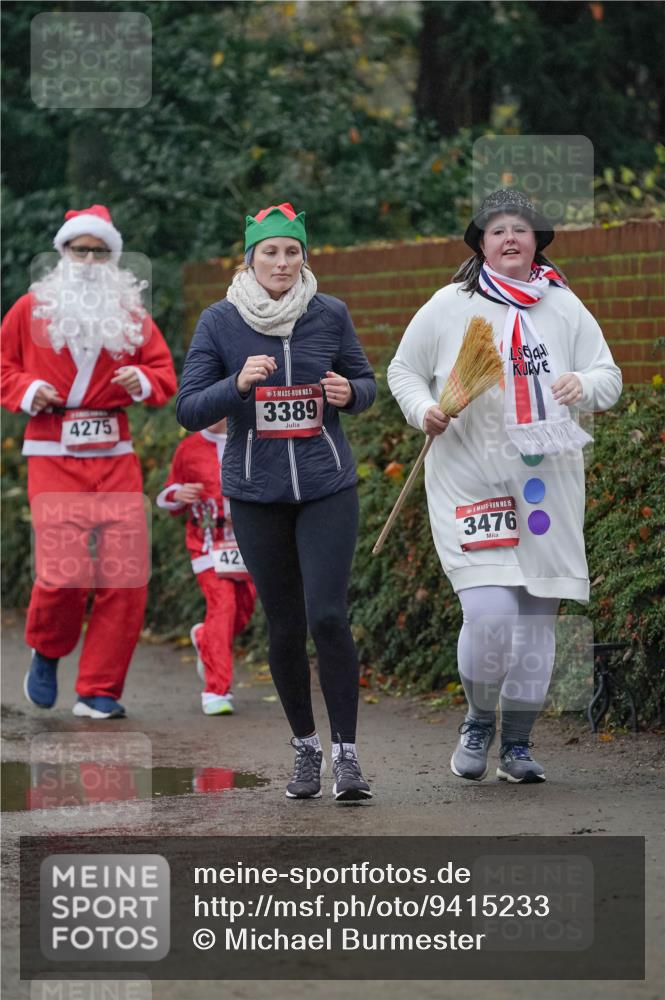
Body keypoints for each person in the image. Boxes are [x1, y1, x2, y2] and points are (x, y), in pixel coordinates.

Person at [387, 189, 622, 783]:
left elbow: (608, 377)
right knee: (490, 613)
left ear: (537, 240)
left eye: (521, 228)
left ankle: (517, 745)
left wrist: (581, 385)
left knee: (538, 623)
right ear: (482, 244)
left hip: (548, 481)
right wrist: (424, 410)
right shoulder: (448, 306)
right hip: (470, 478)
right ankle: (477, 719)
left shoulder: (564, 307)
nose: (510, 237)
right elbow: (403, 371)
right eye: (497, 231)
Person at [176, 202, 376, 801]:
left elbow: (366, 383)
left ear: (304, 256)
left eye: (293, 251)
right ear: (251, 258)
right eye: (271, 251)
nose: (283, 262)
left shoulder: (329, 314)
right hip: (256, 494)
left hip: (326, 487)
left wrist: (350, 392)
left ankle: (348, 757)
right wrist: (235, 384)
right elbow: (188, 409)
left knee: (329, 618)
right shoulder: (220, 321)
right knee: (285, 625)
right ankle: (305, 751)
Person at [1, 204, 177, 719]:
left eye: (101, 252)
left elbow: (164, 371)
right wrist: (28, 388)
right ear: (63, 253)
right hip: (53, 454)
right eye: (82, 250)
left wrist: (142, 382)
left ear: (113, 258)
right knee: (63, 571)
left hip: (114, 454)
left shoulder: (132, 316)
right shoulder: (29, 309)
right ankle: (48, 648)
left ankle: (100, 687)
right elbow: (4, 367)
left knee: (125, 575)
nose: (90, 260)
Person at [156, 418, 257, 715]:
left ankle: (205, 638)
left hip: (247, 546)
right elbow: (168, 494)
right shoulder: (189, 449)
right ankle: (216, 690)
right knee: (222, 606)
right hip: (207, 544)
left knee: (241, 611)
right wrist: (178, 494)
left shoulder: (252, 438)